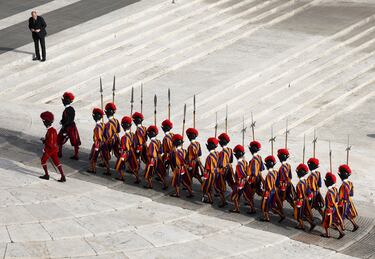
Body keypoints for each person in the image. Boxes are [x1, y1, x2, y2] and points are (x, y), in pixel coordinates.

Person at [39, 111, 66, 182]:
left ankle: (47, 175)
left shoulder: (50, 131)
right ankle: (63, 176)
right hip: (55, 149)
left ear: (46, 122)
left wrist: (45, 149)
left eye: (44, 121)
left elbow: (50, 143)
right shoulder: (53, 130)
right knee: (57, 162)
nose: (43, 123)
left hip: (50, 149)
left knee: (43, 161)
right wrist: (44, 140)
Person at [115, 116, 139, 183]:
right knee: (133, 166)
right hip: (132, 152)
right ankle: (137, 178)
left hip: (125, 153)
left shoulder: (123, 137)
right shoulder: (133, 135)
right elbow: (135, 144)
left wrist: (120, 153)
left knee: (120, 165)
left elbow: (123, 147)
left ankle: (121, 177)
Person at [261, 155, 285, 222]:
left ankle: (266, 217)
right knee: (272, 205)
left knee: (265, 205)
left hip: (268, 191)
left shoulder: (269, 175)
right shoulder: (275, 172)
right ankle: (281, 215)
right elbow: (277, 183)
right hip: (274, 190)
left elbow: (268, 186)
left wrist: (265, 193)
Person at [57, 92, 81, 160]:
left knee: (59, 139)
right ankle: (76, 155)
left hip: (67, 127)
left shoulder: (66, 110)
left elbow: (67, 120)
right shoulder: (72, 109)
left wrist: (63, 123)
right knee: (75, 141)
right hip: (72, 126)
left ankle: (59, 153)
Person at [321, 172, 345, 239]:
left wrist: (328, 210)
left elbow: (330, 202)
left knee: (326, 222)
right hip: (334, 208)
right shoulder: (335, 189)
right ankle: (341, 232)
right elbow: (337, 199)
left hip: (329, 209)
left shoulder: (329, 193)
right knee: (333, 221)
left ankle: (327, 234)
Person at [244, 140, 264, 214]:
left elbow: (253, 172)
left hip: (254, 178)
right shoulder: (259, 157)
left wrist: (249, 179)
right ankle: (249, 202)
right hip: (258, 176)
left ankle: (252, 209)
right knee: (256, 191)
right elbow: (262, 168)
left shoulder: (253, 160)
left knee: (250, 191)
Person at [294, 163, 315, 231]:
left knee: (298, 214)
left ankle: (302, 225)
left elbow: (299, 194)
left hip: (300, 200)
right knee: (302, 213)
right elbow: (308, 191)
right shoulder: (305, 181)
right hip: (305, 199)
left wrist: (297, 200)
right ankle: (307, 223)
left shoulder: (299, 184)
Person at [338, 164, 359, 231]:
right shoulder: (350, 183)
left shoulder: (342, 186)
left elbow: (340, 196)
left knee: (341, 215)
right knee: (347, 214)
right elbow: (351, 194)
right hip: (349, 201)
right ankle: (355, 225)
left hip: (343, 202)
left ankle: (342, 227)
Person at [102, 102, 121, 175]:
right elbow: (118, 130)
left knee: (105, 153)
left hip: (110, 140)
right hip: (116, 138)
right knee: (118, 154)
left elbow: (107, 135)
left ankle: (108, 170)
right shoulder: (116, 120)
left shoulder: (108, 124)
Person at [216, 133, 234, 208]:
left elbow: (221, 164)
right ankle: (237, 196)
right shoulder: (230, 150)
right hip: (229, 168)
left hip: (223, 170)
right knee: (231, 183)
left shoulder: (222, 152)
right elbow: (231, 160)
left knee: (220, 185)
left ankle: (223, 201)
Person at [229, 145, 248, 213]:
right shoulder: (245, 162)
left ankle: (236, 209)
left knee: (234, 197)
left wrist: (231, 171)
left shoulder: (238, 165)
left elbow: (238, 177)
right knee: (241, 195)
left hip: (239, 183)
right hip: (244, 182)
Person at [202, 137, 219, 204]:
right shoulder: (217, 153)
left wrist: (205, 176)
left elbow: (207, 168)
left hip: (210, 174)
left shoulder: (209, 157)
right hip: (216, 173)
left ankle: (210, 200)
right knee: (211, 186)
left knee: (207, 187)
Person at [87, 108, 104, 174]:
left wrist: (97, 144)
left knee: (93, 157)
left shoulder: (98, 127)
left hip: (97, 144)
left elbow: (99, 137)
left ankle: (93, 170)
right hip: (101, 143)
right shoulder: (102, 124)